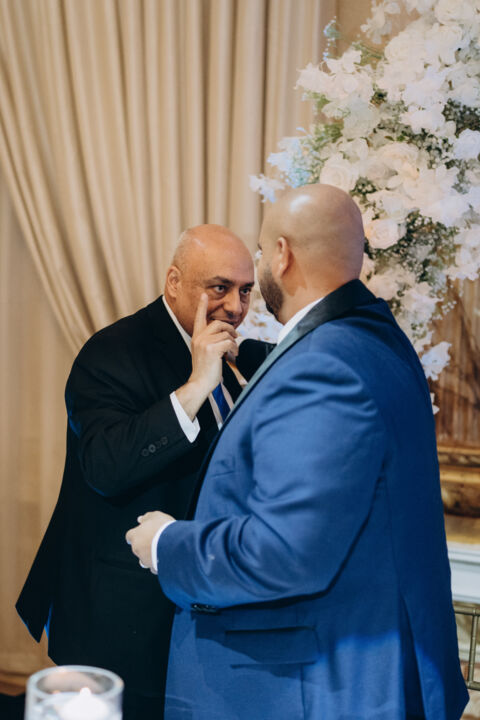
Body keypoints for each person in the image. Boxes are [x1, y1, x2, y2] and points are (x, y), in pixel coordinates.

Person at [127, 185, 468, 720]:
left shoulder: (323, 363)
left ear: (282, 255)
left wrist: (167, 544)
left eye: (262, 252)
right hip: (363, 657)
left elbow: (285, 551)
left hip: (312, 685)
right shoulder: (379, 337)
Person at [16, 224, 259, 720]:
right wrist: (196, 385)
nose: (236, 306)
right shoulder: (112, 351)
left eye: (245, 291)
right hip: (119, 614)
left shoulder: (238, 357)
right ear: (174, 282)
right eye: (220, 287)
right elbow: (106, 467)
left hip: (197, 607)